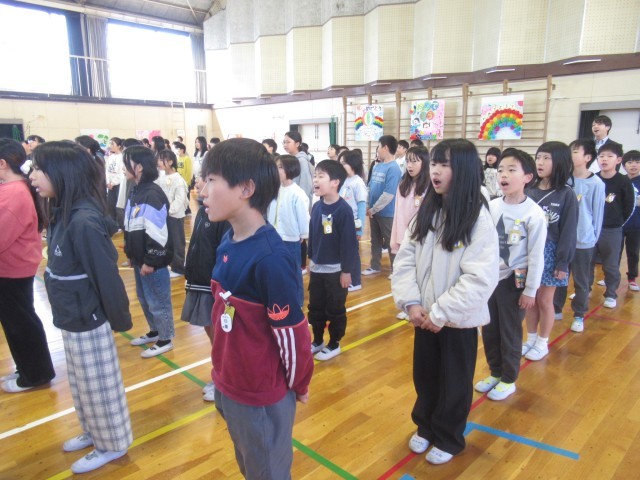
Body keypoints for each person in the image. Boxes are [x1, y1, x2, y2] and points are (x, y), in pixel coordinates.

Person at [202, 138, 314, 479]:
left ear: (246, 188)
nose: (202, 191)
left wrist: (300, 383)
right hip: (228, 383)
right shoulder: (228, 240)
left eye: (211, 181)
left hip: (260, 396)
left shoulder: (271, 258)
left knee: (266, 472)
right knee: (250, 464)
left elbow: (292, 334)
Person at [392, 138, 499, 465]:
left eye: (444, 165)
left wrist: (441, 312)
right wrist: (411, 303)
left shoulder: (477, 218)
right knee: (425, 377)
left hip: (455, 321)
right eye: (434, 163)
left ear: (463, 170)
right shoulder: (427, 212)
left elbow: (480, 278)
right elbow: (405, 260)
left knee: (454, 383)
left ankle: (449, 437)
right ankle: (425, 426)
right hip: (423, 317)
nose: (435, 171)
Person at [29, 141, 133, 474]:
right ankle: (93, 430)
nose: (32, 176)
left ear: (62, 173)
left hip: (88, 318)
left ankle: (112, 442)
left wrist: (119, 319)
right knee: (81, 382)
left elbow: (106, 276)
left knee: (99, 386)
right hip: (70, 316)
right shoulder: (62, 211)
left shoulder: (83, 221)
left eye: (39, 169)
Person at [474, 148, 546, 401]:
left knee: (510, 332)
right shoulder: (492, 206)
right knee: (489, 329)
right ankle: (495, 371)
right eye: (501, 170)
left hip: (514, 282)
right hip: (489, 279)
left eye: (511, 170)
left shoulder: (534, 214)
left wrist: (530, 291)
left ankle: (509, 378)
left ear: (527, 177)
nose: (503, 175)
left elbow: (537, 256)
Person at [0, 138, 55, 393]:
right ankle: (27, 368)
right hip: (13, 267)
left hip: (13, 269)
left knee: (20, 323)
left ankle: (35, 374)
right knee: (17, 321)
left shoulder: (15, 193)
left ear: (3, 164)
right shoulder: (15, 189)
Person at [523, 142, 578, 361]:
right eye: (538, 157)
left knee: (545, 300)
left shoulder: (566, 194)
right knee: (529, 298)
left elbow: (568, 232)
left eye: (546, 158)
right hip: (527, 252)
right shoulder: (529, 190)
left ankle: (542, 342)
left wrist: (562, 263)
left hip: (551, 252)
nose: (540, 162)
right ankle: (530, 338)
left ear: (560, 162)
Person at [181, 170, 230, 402]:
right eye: (203, 178)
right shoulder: (203, 211)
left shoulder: (223, 216)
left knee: (221, 335)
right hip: (199, 281)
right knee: (212, 333)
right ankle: (220, 373)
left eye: (209, 179)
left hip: (214, 285)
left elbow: (224, 255)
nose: (200, 182)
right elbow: (196, 246)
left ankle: (225, 378)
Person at [123, 145, 175, 358]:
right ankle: (155, 331)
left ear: (139, 167)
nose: (123, 167)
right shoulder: (136, 190)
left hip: (152, 262)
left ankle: (165, 338)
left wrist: (151, 261)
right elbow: (131, 225)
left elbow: (158, 233)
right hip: (139, 259)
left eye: (127, 162)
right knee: (145, 299)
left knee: (158, 301)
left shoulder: (152, 194)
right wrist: (131, 254)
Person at [308, 160, 358, 360]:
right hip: (317, 269)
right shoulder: (316, 207)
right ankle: (318, 340)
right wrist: (311, 259)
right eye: (315, 176)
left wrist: (347, 271)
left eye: (321, 176)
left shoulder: (343, 210)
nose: (315, 180)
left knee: (335, 309)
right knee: (316, 307)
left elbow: (349, 244)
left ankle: (334, 343)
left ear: (335, 182)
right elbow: (312, 235)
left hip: (336, 271)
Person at [553, 139, 605, 333]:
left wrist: (592, 239)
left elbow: (597, 214)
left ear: (587, 157)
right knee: (559, 276)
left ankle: (579, 314)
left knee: (582, 281)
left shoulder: (596, 183)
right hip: (562, 240)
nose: (570, 154)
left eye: (575, 151)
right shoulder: (564, 180)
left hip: (583, 240)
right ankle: (556, 308)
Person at [589, 143, 635, 308]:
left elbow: (629, 207)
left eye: (609, 156)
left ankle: (610, 294)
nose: (604, 159)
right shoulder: (592, 179)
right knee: (587, 261)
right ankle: (585, 290)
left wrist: (617, 223)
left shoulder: (623, 181)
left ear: (618, 160)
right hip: (591, 229)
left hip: (612, 229)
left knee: (610, 264)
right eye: (601, 156)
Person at [390, 146, 430, 318]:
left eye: (414, 161)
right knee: (405, 271)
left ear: (425, 162)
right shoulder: (403, 185)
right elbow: (398, 213)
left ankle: (420, 306)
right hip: (403, 234)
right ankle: (408, 305)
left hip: (420, 236)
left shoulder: (429, 186)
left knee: (420, 273)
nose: (410, 165)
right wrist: (396, 237)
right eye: (408, 161)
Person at [267, 154, 310, 308]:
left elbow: (303, 216)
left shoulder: (297, 193)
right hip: (275, 236)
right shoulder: (275, 190)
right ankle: (281, 299)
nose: (276, 170)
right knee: (277, 270)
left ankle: (297, 302)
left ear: (290, 169)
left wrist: (303, 234)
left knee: (293, 272)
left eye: (280, 167)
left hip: (290, 239)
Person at [364, 135, 402, 276]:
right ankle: (375, 265)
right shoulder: (377, 166)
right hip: (373, 211)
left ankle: (396, 270)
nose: (377, 150)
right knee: (375, 240)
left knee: (391, 242)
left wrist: (374, 209)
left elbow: (389, 194)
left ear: (385, 148)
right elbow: (369, 187)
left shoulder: (394, 168)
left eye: (379, 147)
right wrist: (368, 205)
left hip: (387, 213)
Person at [156, 150, 189, 278]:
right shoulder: (160, 178)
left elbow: (180, 199)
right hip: (164, 215)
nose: (159, 162)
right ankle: (171, 263)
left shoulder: (178, 179)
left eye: (162, 159)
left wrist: (168, 211)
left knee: (177, 241)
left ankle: (179, 267)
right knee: (168, 241)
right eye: (158, 159)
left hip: (174, 216)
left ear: (170, 162)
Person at [339, 150, 368, 292]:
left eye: (344, 163)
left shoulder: (358, 182)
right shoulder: (344, 180)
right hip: (342, 221)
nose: (341, 165)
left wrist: (359, 229)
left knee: (353, 253)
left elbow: (361, 206)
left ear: (353, 164)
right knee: (343, 251)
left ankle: (356, 281)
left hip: (353, 222)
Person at [622, 150, 640, 292]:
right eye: (630, 162)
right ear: (624, 165)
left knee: (633, 252)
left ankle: (632, 278)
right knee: (614, 252)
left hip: (636, 224)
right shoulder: (620, 180)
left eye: (637, 162)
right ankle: (610, 276)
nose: (633, 165)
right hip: (619, 224)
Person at [106, 137, 124, 228]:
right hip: (110, 185)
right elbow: (107, 171)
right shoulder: (110, 157)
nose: (110, 146)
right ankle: (112, 226)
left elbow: (121, 173)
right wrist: (108, 182)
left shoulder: (122, 157)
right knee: (110, 206)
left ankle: (120, 226)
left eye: (112, 144)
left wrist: (113, 183)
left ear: (119, 146)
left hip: (118, 185)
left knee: (118, 207)